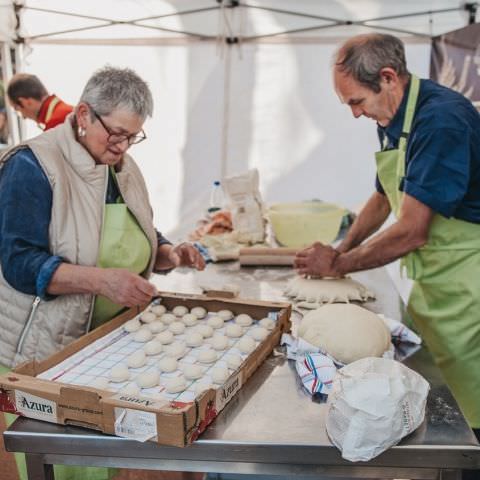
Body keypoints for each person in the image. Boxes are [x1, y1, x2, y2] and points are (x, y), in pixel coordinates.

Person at [0, 66, 205, 480]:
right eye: (115, 133)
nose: (123, 145)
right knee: (55, 461)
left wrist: (168, 252)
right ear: (83, 115)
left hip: (106, 346)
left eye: (133, 136)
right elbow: (18, 262)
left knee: (104, 460)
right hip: (42, 349)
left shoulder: (123, 166)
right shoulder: (33, 166)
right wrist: (102, 280)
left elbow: (138, 228)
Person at [294, 33, 480, 445]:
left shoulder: (441, 120)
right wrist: (341, 248)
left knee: (469, 418)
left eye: (357, 102)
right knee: (434, 402)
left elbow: (413, 229)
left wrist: (340, 266)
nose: (355, 115)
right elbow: (382, 196)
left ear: (389, 77)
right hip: (434, 282)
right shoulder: (393, 119)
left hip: (470, 288)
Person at [7, 73, 73, 130]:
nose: (24, 117)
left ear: (25, 102)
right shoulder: (66, 111)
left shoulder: (55, 125)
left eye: (17, 109)